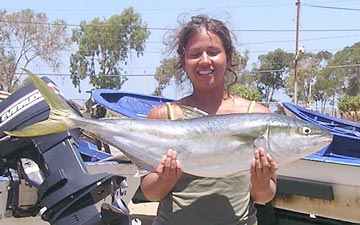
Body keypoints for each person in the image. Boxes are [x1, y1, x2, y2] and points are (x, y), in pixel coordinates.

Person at [140, 14, 278, 225]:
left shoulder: (257, 117)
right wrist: (165, 178)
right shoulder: (163, 116)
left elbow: (264, 196)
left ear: (229, 57)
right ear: (183, 62)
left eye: (213, 52)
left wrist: (260, 182)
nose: (205, 60)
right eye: (195, 53)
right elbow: (150, 193)